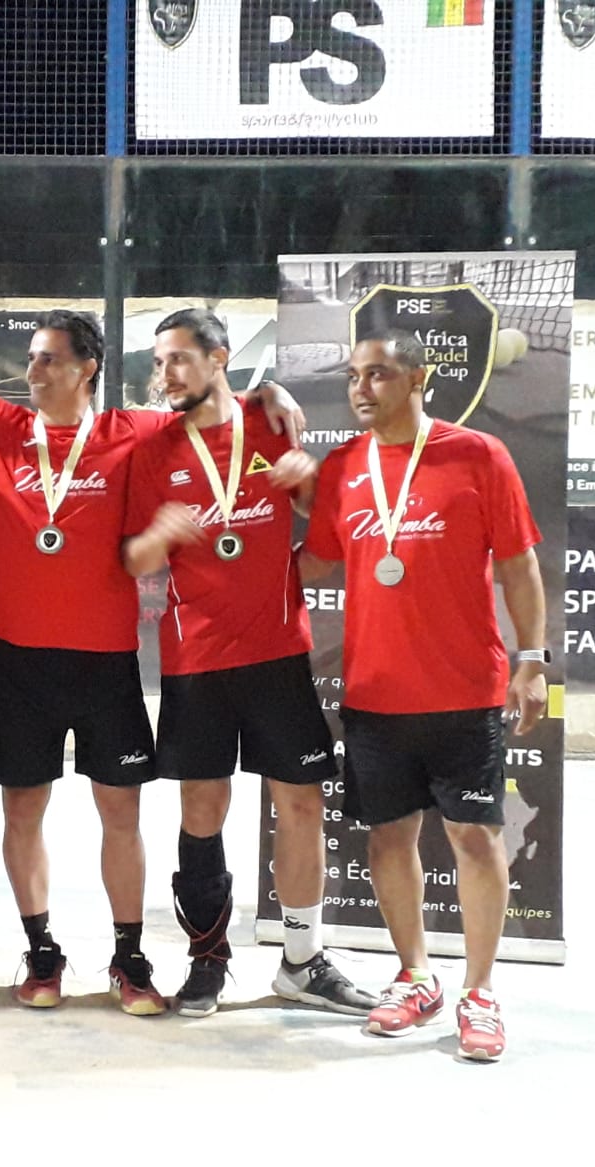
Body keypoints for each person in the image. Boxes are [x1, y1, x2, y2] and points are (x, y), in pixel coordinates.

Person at [0, 223, 303, 1015]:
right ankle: (41, 953)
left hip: (105, 662)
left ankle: (129, 959)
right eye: (31, 358)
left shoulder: (131, 433)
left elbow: (213, 411)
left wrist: (267, 395)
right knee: (23, 809)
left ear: (86, 368)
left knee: (120, 812)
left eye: (47, 359)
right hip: (19, 661)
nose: (32, 370)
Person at [299, 330, 549, 1062]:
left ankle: (480, 991)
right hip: (375, 693)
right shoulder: (344, 466)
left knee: (475, 837)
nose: (361, 388)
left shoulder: (478, 455)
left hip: (465, 690)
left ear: (418, 378)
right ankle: (415, 977)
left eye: (378, 374)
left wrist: (532, 661)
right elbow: (314, 564)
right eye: (354, 376)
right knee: (388, 838)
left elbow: (520, 566)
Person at [122, 309, 377, 1018]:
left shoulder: (272, 422)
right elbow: (132, 559)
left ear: (219, 358)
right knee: (202, 808)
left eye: (179, 358)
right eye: (160, 362)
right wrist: (158, 535)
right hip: (196, 657)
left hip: (277, 651)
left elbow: (324, 525)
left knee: (301, 803)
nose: (167, 373)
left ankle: (302, 960)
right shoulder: (155, 448)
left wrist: (306, 482)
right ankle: (207, 958)